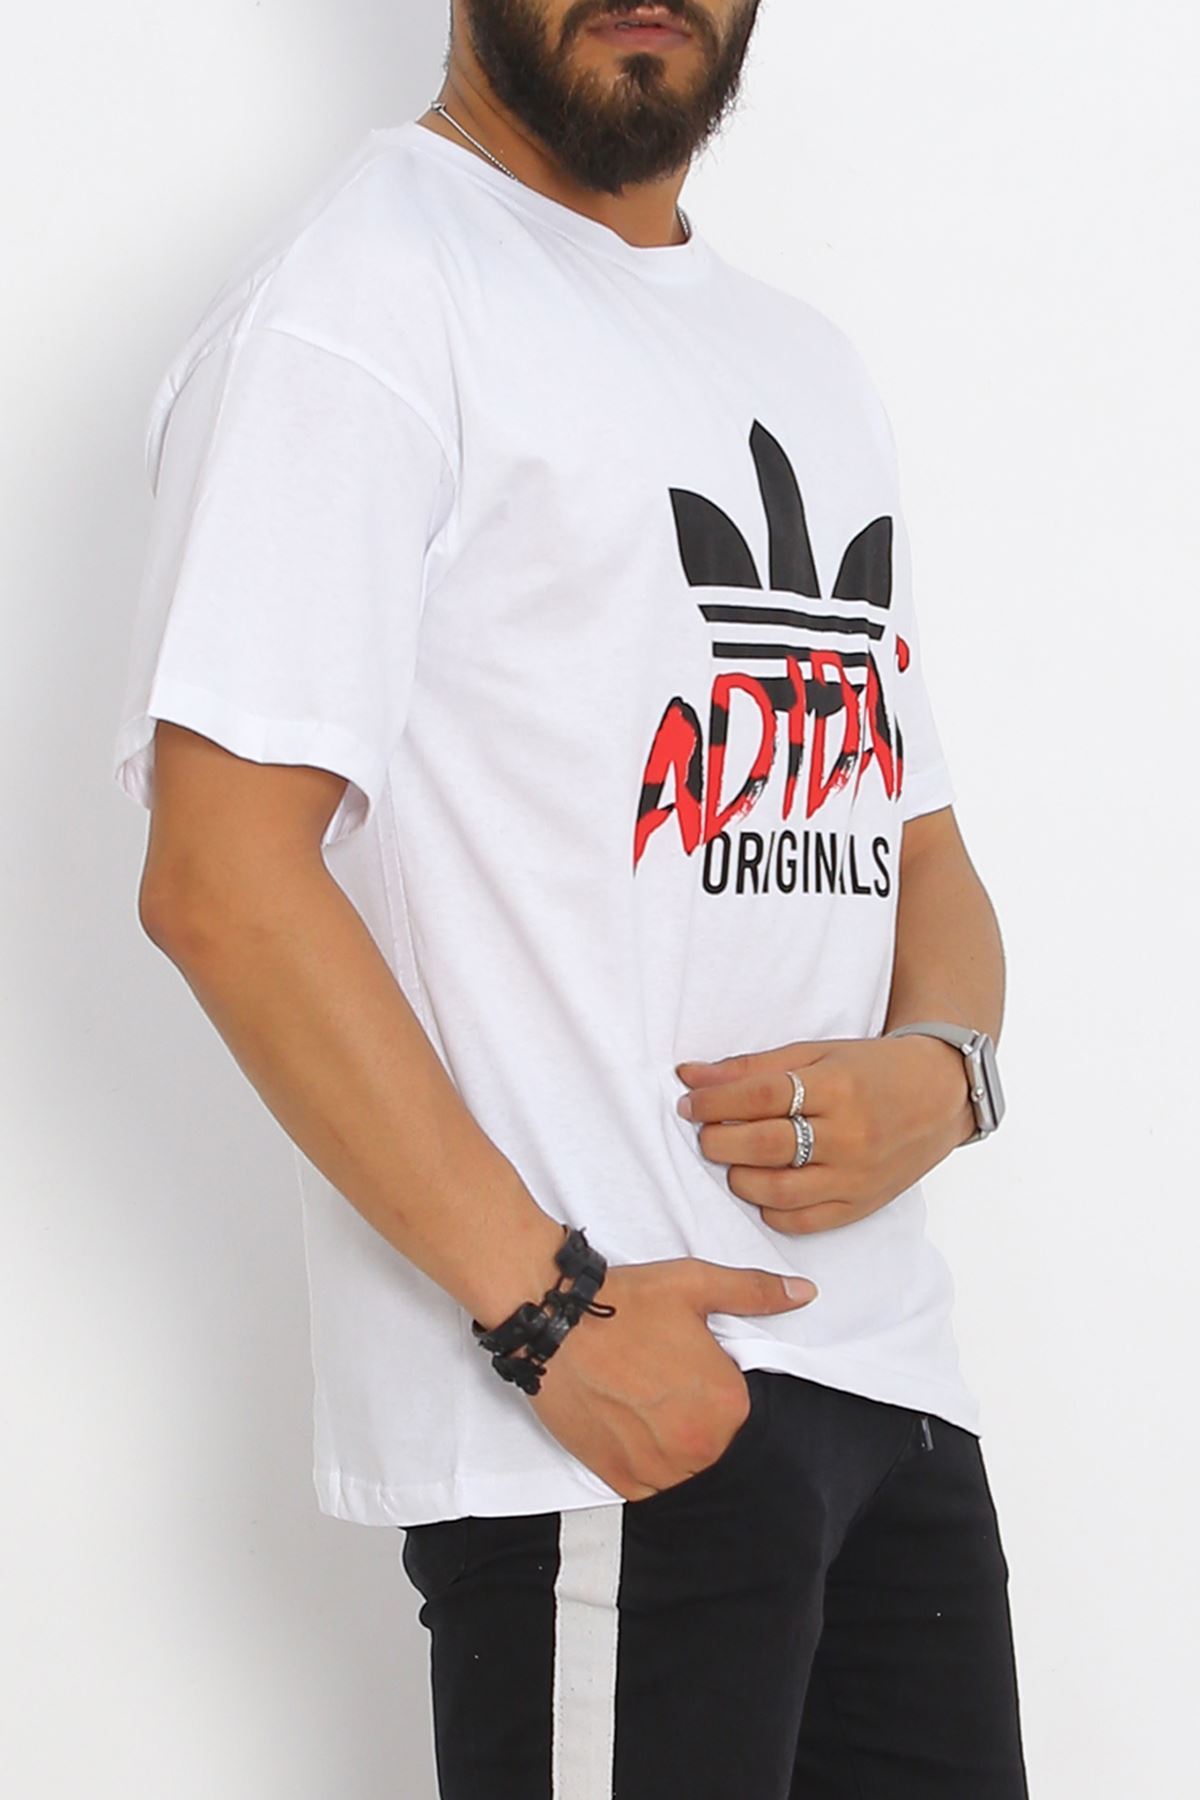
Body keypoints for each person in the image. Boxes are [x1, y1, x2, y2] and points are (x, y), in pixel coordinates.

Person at [111, 1, 1029, 1793]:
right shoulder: (367, 298)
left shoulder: (803, 359)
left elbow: (919, 838)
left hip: (893, 1402)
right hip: (611, 1425)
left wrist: (950, 1069)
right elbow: (220, 874)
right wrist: (552, 1319)